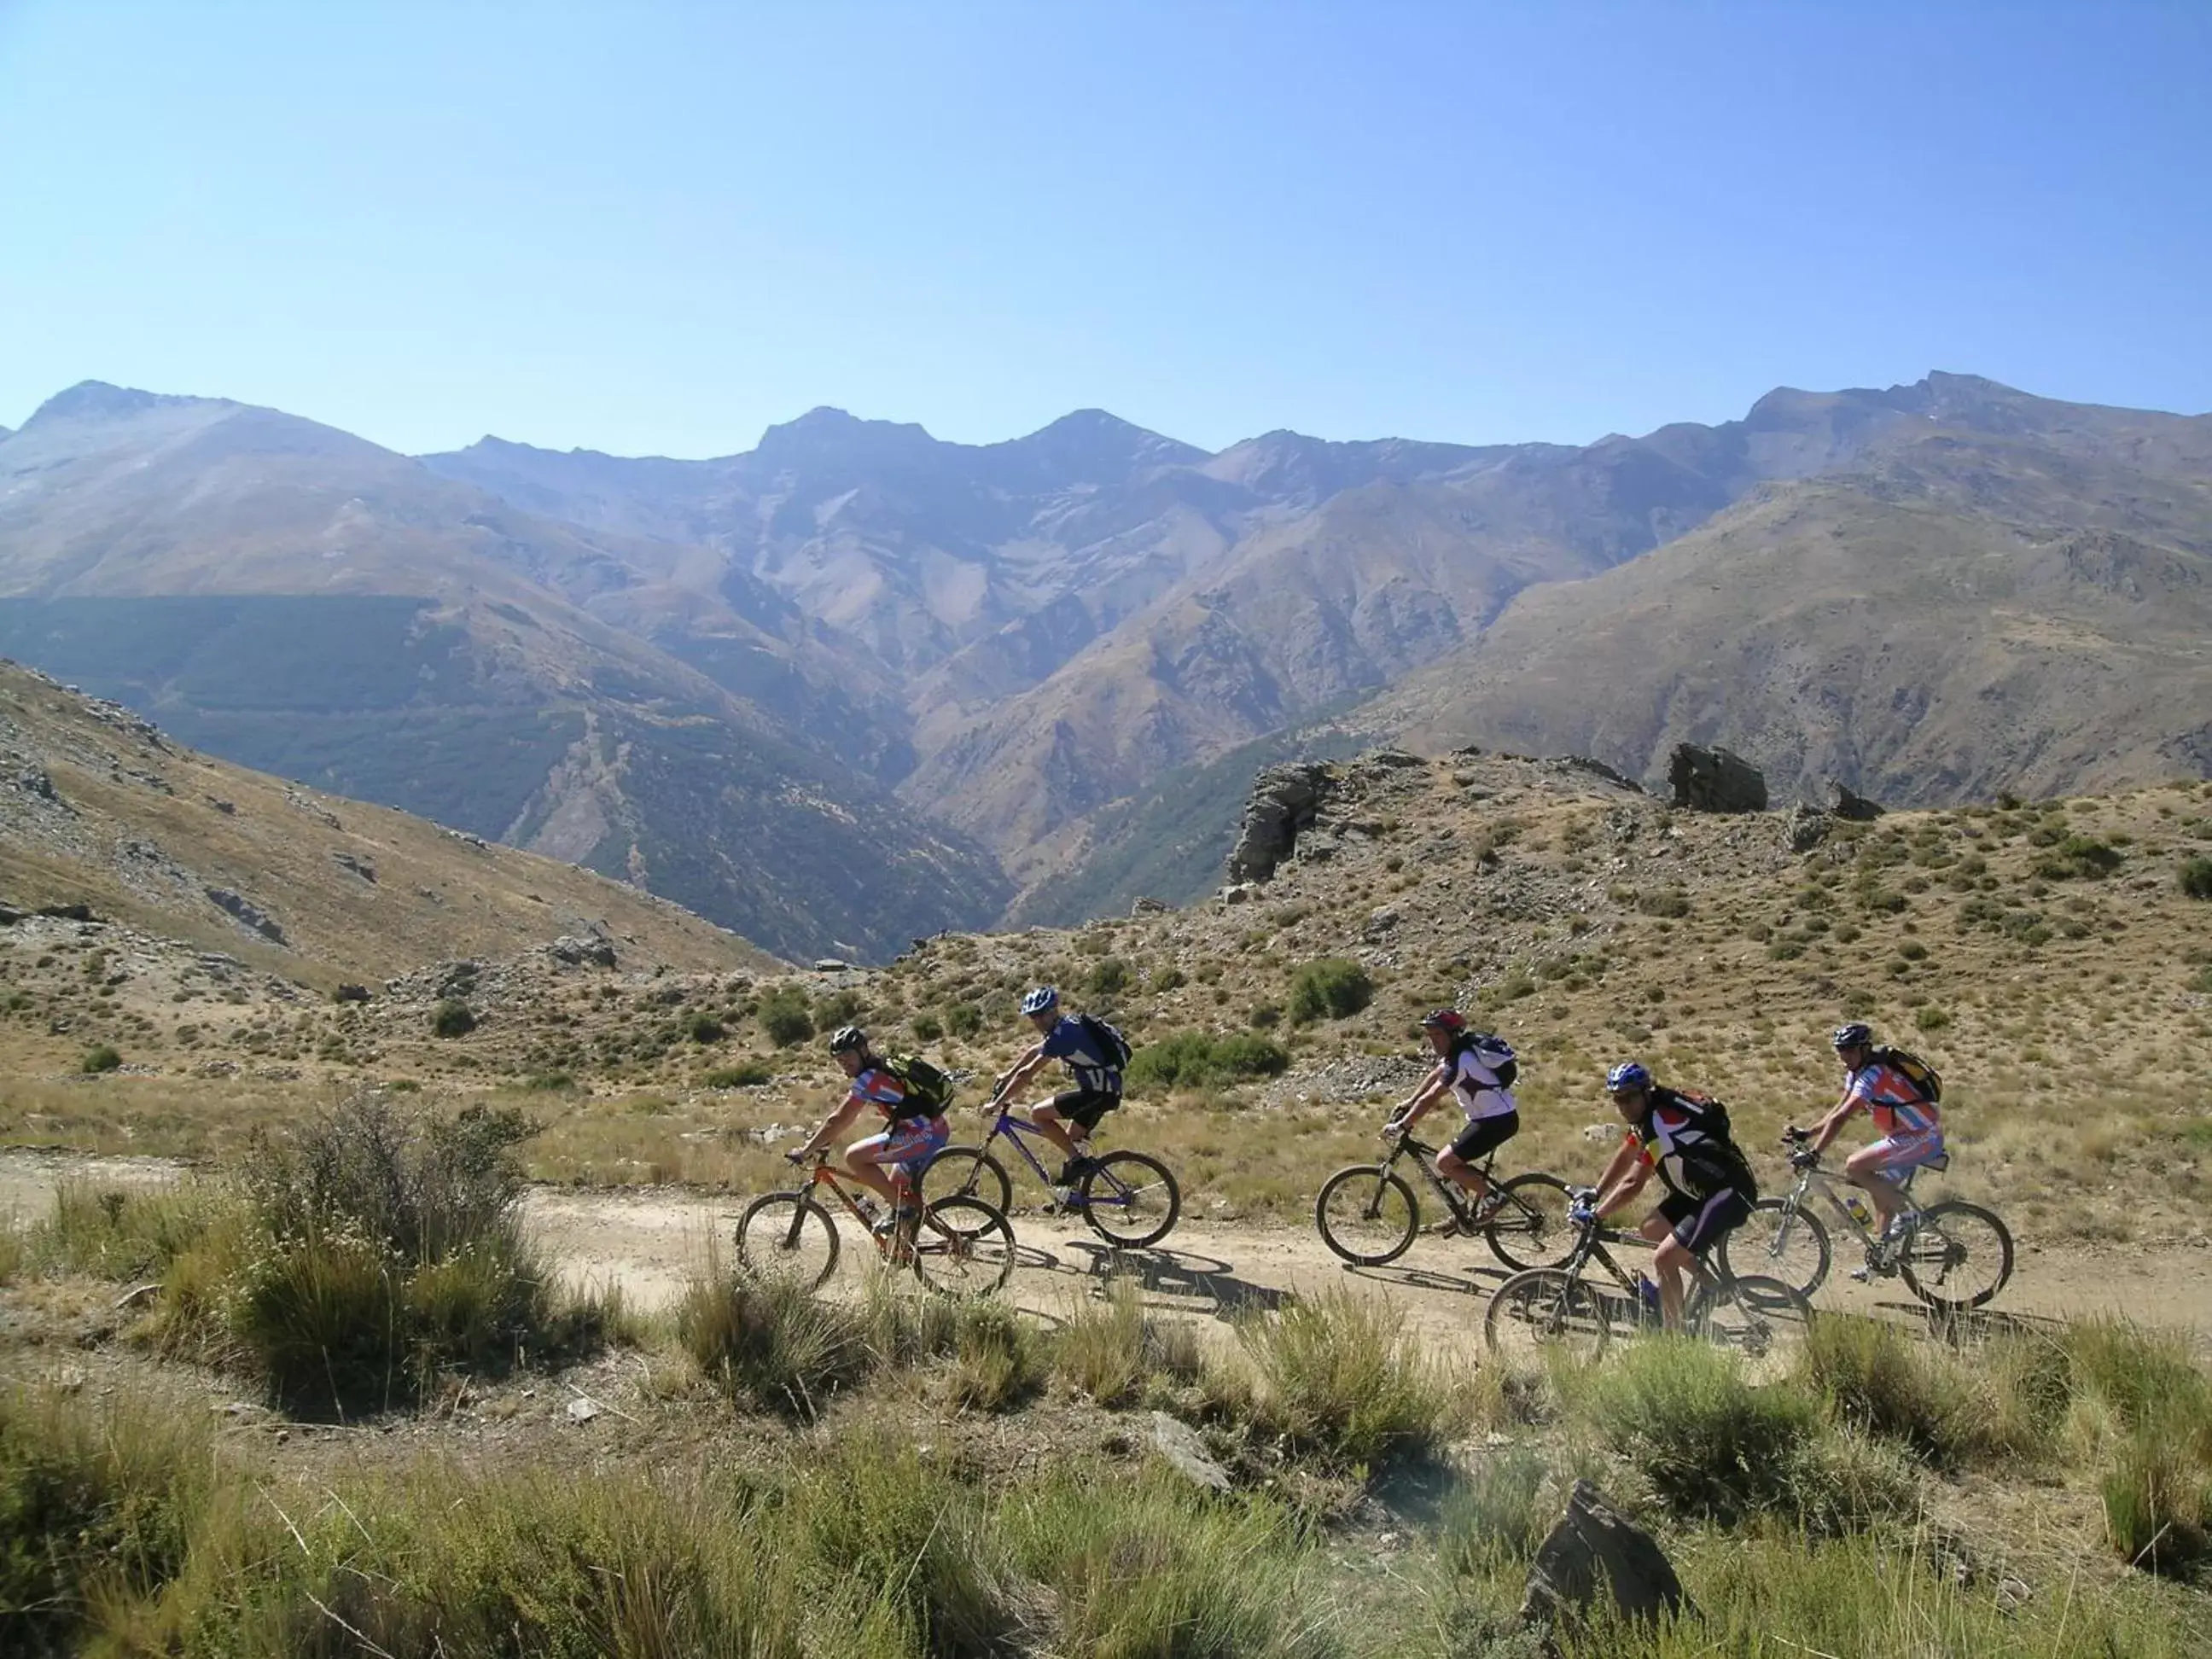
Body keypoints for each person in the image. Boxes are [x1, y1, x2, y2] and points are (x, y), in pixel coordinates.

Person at [1578, 1061, 1757, 1330]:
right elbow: (1626, 1154)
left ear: (1645, 1092)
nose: (1623, 1105)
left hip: (1728, 1193)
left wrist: (1597, 1214)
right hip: (1700, 1191)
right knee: (1651, 1228)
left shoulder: (1660, 1124)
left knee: (1664, 1259)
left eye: (1629, 1097)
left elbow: (1633, 1183)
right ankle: (1710, 1285)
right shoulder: (1646, 1119)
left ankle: (1674, 1336)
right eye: (1617, 1099)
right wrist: (1596, 1191)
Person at [1795, 1022, 1945, 1279]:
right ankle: (1882, 1261)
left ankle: (1909, 1217)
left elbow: (1842, 1118)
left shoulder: (1874, 1075)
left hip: (1922, 1137)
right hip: (1905, 1137)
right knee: (1879, 1190)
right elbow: (1836, 1112)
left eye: (1850, 1050)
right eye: (1841, 1050)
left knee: (1855, 1165)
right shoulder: (1855, 1073)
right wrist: (1807, 1133)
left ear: (1865, 1049)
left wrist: (1816, 1153)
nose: (1844, 1056)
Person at [789, 1024, 949, 1239]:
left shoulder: (869, 1080)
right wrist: (825, 1139)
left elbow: (838, 1119)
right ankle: (912, 1250)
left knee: (854, 1157)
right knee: (896, 1192)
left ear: (864, 1051)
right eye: (839, 1060)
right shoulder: (881, 1067)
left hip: (923, 1135)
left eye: (848, 1057)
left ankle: (905, 1213)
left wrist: (806, 1150)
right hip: (932, 1130)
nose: (844, 1063)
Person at [1386, 1009, 1519, 1231]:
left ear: (1453, 1034)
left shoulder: (1462, 1061)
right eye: (1430, 1035)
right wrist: (1410, 1101)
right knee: (1452, 1162)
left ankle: (1493, 1198)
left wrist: (1403, 1125)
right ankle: (1462, 1216)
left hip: (1497, 1121)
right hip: (1487, 1119)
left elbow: (1432, 1098)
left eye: (1437, 1035)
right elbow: (1436, 1074)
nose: (1432, 1041)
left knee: (1445, 1162)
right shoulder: (1456, 1054)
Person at [993, 985, 1125, 1196]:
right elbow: (1033, 1051)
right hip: (1104, 1091)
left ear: (1053, 1010)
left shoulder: (1062, 1036)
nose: (1036, 1021)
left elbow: (1027, 1074)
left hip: (1099, 1093)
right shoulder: (1065, 1026)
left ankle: (1077, 1163)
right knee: (1071, 1141)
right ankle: (1070, 1198)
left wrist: (997, 1102)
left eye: (1040, 1015)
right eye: (1032, 1017)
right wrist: (1007, 1074)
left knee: (1038, 1114)